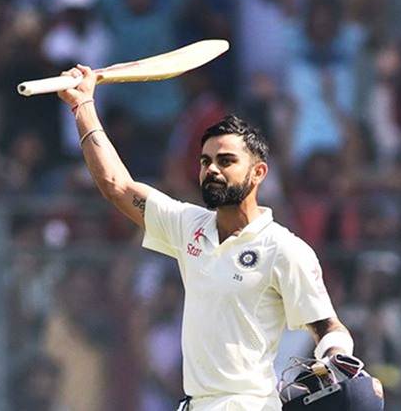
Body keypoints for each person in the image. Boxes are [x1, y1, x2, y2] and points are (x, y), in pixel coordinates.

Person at [56, 65, 355, 410]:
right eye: (205, 161)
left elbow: (330, 328)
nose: (212, 169)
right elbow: (117, 186)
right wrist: (83, 107)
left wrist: (336, 356)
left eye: (226, 161)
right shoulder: (188, 225)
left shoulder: (284, 249)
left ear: (258, 173)